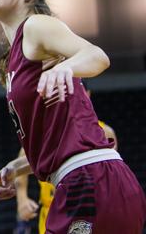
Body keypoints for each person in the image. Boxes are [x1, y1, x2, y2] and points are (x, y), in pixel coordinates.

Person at [0, 0, 146, 233]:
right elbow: (59, 140)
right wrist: (18, 166)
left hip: (92, 180)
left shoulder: (35, 26)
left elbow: (98, 56)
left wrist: (65, 68)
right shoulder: (15, 58)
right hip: (84, 181)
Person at [14, 93, 118, 233]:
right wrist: (22, 199)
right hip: (51, 210)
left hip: (88, 210)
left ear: (86, 95)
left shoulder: (104, 131)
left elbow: (112, 175)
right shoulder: (44, 130)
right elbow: (21, 160)